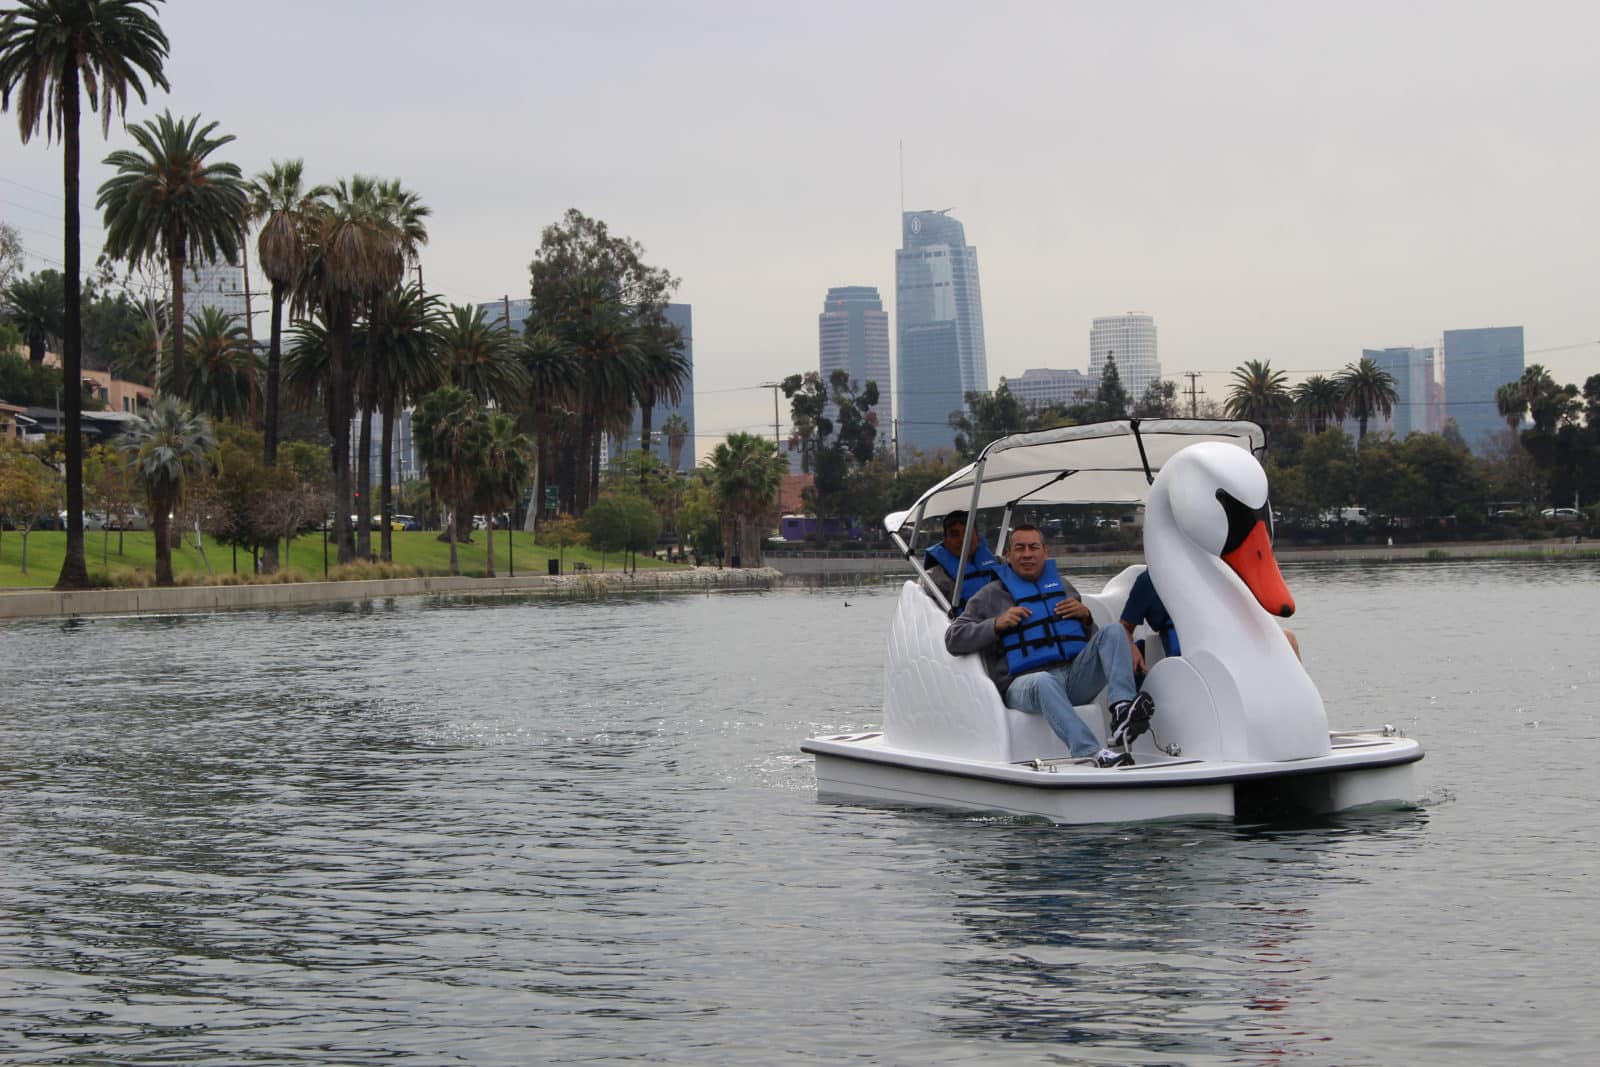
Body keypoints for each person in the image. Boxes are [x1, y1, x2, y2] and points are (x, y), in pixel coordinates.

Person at [945, 524, 1155, 767]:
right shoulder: (989, 595)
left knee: (1114, 630)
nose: (1027, 554)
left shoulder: (1063, 587)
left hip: (1072, 678)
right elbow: (953, 638)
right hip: (1023, 685)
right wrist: (996, 624)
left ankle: (1121, 710)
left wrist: (1087, 618)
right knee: (1043, 680)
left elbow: (1097, 643)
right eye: (1019, 548)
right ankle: (1090, 752)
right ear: (1009, 555)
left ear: (1045, 551)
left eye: (1033, 547)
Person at [1119, 568, 1299, 680]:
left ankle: (1299, 708)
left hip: (1227, 640)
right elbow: (1124, 627)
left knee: (1288, 639)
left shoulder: (1212, 569)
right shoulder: (1150, 580)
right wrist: (1130, 646)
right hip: (1191, 651)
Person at [922, 510, 1001, 608]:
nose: (962, 539)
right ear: (945, 542)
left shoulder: (1001, 564)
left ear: (977, 536)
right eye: (955, 534)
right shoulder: (932, 579)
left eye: (967, 533)